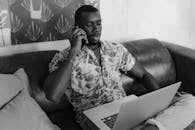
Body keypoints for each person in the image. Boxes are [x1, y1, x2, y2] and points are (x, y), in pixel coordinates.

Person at [43, 5, 195, 130]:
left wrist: (161, 101)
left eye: (99, 23)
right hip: (94, 117)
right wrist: (74, 51)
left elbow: (143, 75)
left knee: (190, 101)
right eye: (89, 25)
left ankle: (153, 127)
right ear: (78, 28)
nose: (96, 29)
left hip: (126, 109)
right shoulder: (63, 58)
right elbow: (53, 95)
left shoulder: (115, 49)